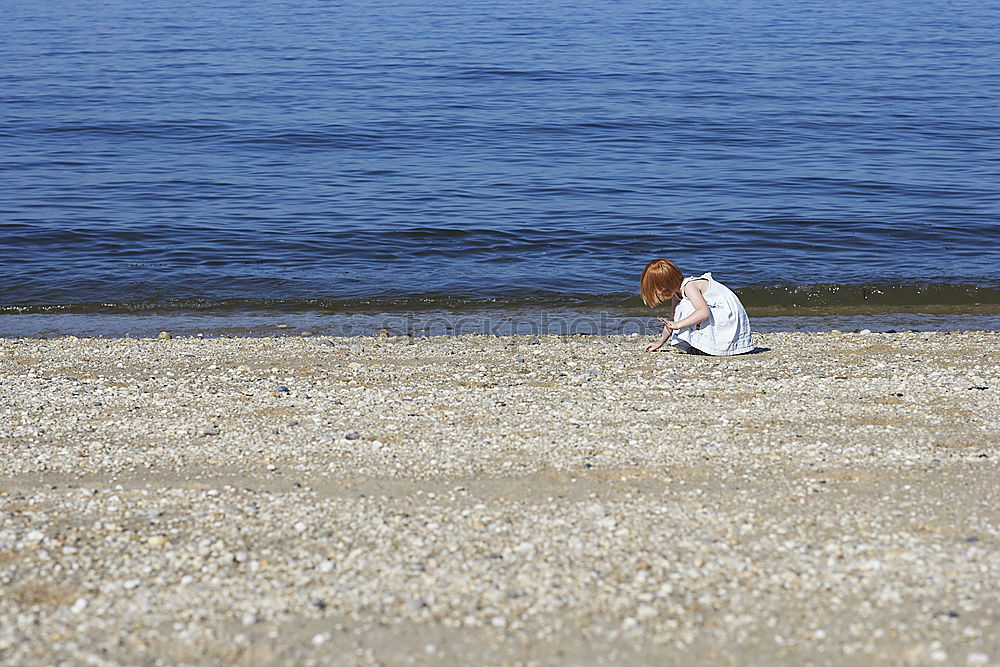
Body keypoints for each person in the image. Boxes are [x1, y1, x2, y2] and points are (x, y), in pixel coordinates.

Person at [639, 259, 754, 355]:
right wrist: (659, 342)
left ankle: (706, 345)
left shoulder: (689, 286)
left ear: (665, 285)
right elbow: (672, 319)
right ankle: (698, 344)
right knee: (681, 307)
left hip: (728, 316)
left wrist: (678, 324)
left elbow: (704, 312)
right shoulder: (678, 293)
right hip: (718, 312)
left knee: (685, 306)